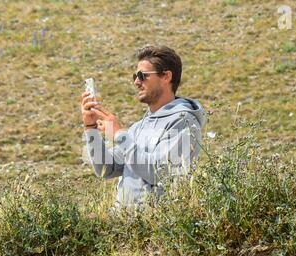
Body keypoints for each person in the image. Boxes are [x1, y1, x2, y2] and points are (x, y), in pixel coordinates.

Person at [80, 45, 206, 209]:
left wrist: (119, 135)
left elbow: (159, 174)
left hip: (154, 230)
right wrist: (91, 128)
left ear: (166, 76)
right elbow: (106, 169)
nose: (136, 82)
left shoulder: (184, 122)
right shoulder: (138, 128)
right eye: (135, 76)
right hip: (123, 227)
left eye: (142, 75)